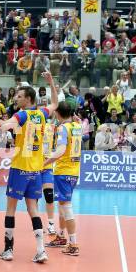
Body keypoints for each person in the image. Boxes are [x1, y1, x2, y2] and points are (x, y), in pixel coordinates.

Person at [0, 71, 58, 263]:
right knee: (33, 210)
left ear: (28, 99)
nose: (16, 98)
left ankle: (8, 249)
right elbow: (54, 103)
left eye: (19, 96)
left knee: (10, 209)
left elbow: (5, 126)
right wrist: (51, 82)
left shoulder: (21, 114)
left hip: (20, 167)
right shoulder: (41, 113)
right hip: (36, 170)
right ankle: (40, 250)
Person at [44, 100, 81, 256]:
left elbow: (60, 151)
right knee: (62, 205)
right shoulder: (77, 126)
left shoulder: (63, 128)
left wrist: (45, 162)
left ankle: (73, 244)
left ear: (58, 113)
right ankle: (61, 236)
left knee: (67, 208)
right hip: (74, 171)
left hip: (64, 171)